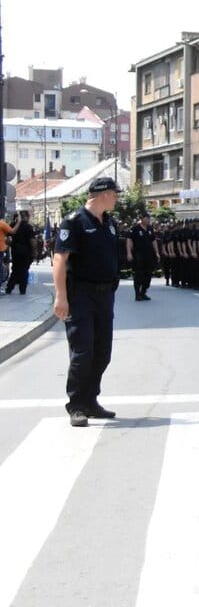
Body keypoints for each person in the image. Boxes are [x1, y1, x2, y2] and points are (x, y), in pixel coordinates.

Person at [53, 176, 122, 427]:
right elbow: (60, 259)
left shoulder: (110, 223)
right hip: (80, 295)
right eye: (115, 193)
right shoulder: (75, 222)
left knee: (103, 352)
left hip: (105, 296)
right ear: (103, 194)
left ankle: (91, 401)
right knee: (83, 352)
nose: (117, 198)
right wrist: (61, 296)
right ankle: (77, 405)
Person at [124, 215, 157, 301]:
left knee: (148, 274)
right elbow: (129, 240)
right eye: (145, 218)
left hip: (149, 255)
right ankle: (137, 293)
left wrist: (157, 253)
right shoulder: (135, 228)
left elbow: (154, 241)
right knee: (139, 274)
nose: (147, 220)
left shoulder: (150, 229)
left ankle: (144, 292)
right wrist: (129, 253)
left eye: (148, 218)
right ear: (141, 219)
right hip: (138, 255)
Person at [5, 210, 37, 295]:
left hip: (15, 251)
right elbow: (32, 241)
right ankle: (22, 289)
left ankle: (9, 288)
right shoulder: (29, 227)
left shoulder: (13, 225)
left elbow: (7, 239)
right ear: (27, 216)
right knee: (24, 270)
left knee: (15, 269)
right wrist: (34, 251)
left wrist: (11, 245)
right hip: (26, 251)